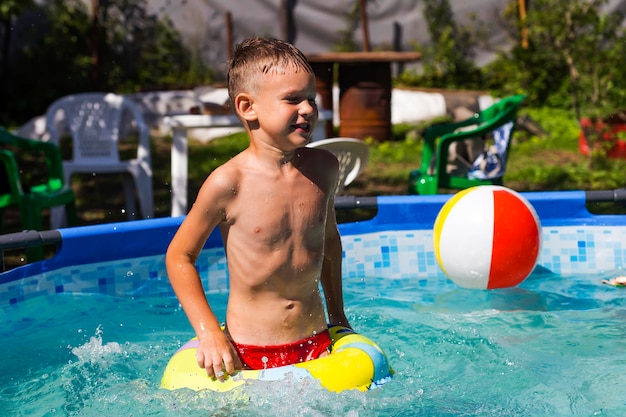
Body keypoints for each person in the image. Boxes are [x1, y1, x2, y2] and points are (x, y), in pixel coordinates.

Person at [165, 37, 350, 380]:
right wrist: (209, 333)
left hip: (316, 342)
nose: (308, 109)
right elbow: (179, 256)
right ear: (248, 106)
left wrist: (338, 316)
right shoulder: (228, 182)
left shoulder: (324, 168)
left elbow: (329, 243)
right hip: (249, 353)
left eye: (311, 98)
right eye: (293, 99)